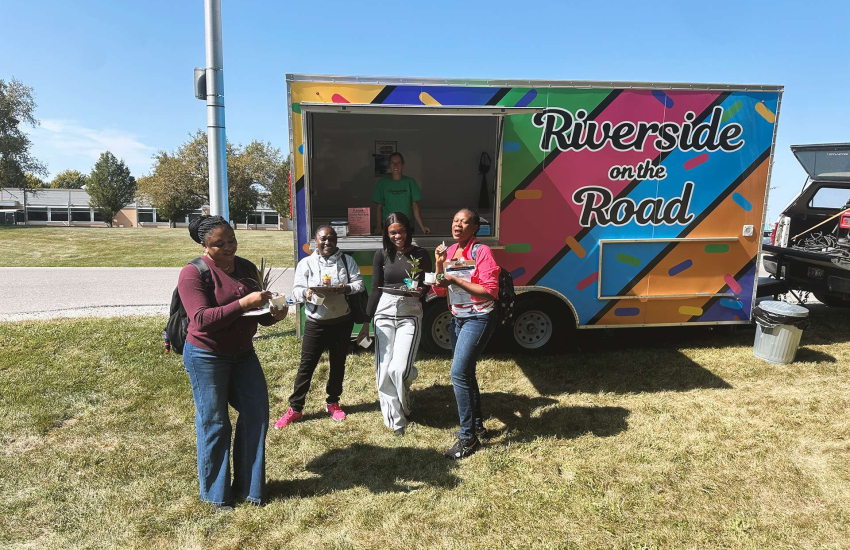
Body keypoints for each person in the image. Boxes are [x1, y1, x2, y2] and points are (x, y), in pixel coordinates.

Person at [179, 215, 288, 508]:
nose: (229, 247)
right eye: (220, 244)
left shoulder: (247, 268)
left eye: (232, 240)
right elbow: (201, 319)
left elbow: (259, 316)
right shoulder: (193, 273)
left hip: (243, 354)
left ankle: (249, 489)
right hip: (207, 355)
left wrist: (274, 314)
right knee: (215, 423)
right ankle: (216, 496)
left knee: (256, 415)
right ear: (204, 245)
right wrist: (243, 304)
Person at [274, 225, 366, 428]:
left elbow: (359, 284)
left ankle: (333, 402)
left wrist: (346, 288)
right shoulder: (306, 263)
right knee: (306, 367)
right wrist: (306, 293)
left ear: (336, 241)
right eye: (323, 238)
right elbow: (296, 291)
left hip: (342, 322)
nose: (327, 242)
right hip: (316, 323)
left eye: (331, 238)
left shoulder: (347, 261)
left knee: (338, 364)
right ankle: (295, 408)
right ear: (315, 241)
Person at [433, 208, 501, 460]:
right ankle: (477, 426)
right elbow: (440, 291)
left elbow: (490, 290)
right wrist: (439, 264)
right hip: (458, 319)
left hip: (479, 317)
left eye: (464, 222)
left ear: (474, 229)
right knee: (466, 373)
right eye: (455, 221)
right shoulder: (450, 251)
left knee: (458, 373)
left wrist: (456, 280)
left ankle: (467, 438)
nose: (458, 225)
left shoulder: (481, 252)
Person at [357, 212, 432, 436]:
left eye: (401, 231)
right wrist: (366, 321)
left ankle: (404, 391)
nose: (397, 236)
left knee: (399, 369)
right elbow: (375, 289)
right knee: (384, 370)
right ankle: (396, 419)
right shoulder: (381, 255)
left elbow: (428, 282)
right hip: (385, 310)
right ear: (386, 234)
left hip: (410, 311)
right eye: (392, 232)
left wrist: (422, 291)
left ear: (408, 230)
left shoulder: (420, 254)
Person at [372, 152, 430, 236]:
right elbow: (379, 207)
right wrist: (378, 227)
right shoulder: (382, 183)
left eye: (398, 162)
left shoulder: (410, 182)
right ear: (389, 165)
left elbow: (414, 206)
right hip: (388, 227)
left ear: (402, 165)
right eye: (392, 163)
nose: (395, 165)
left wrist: (422, 227)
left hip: (405, 227)